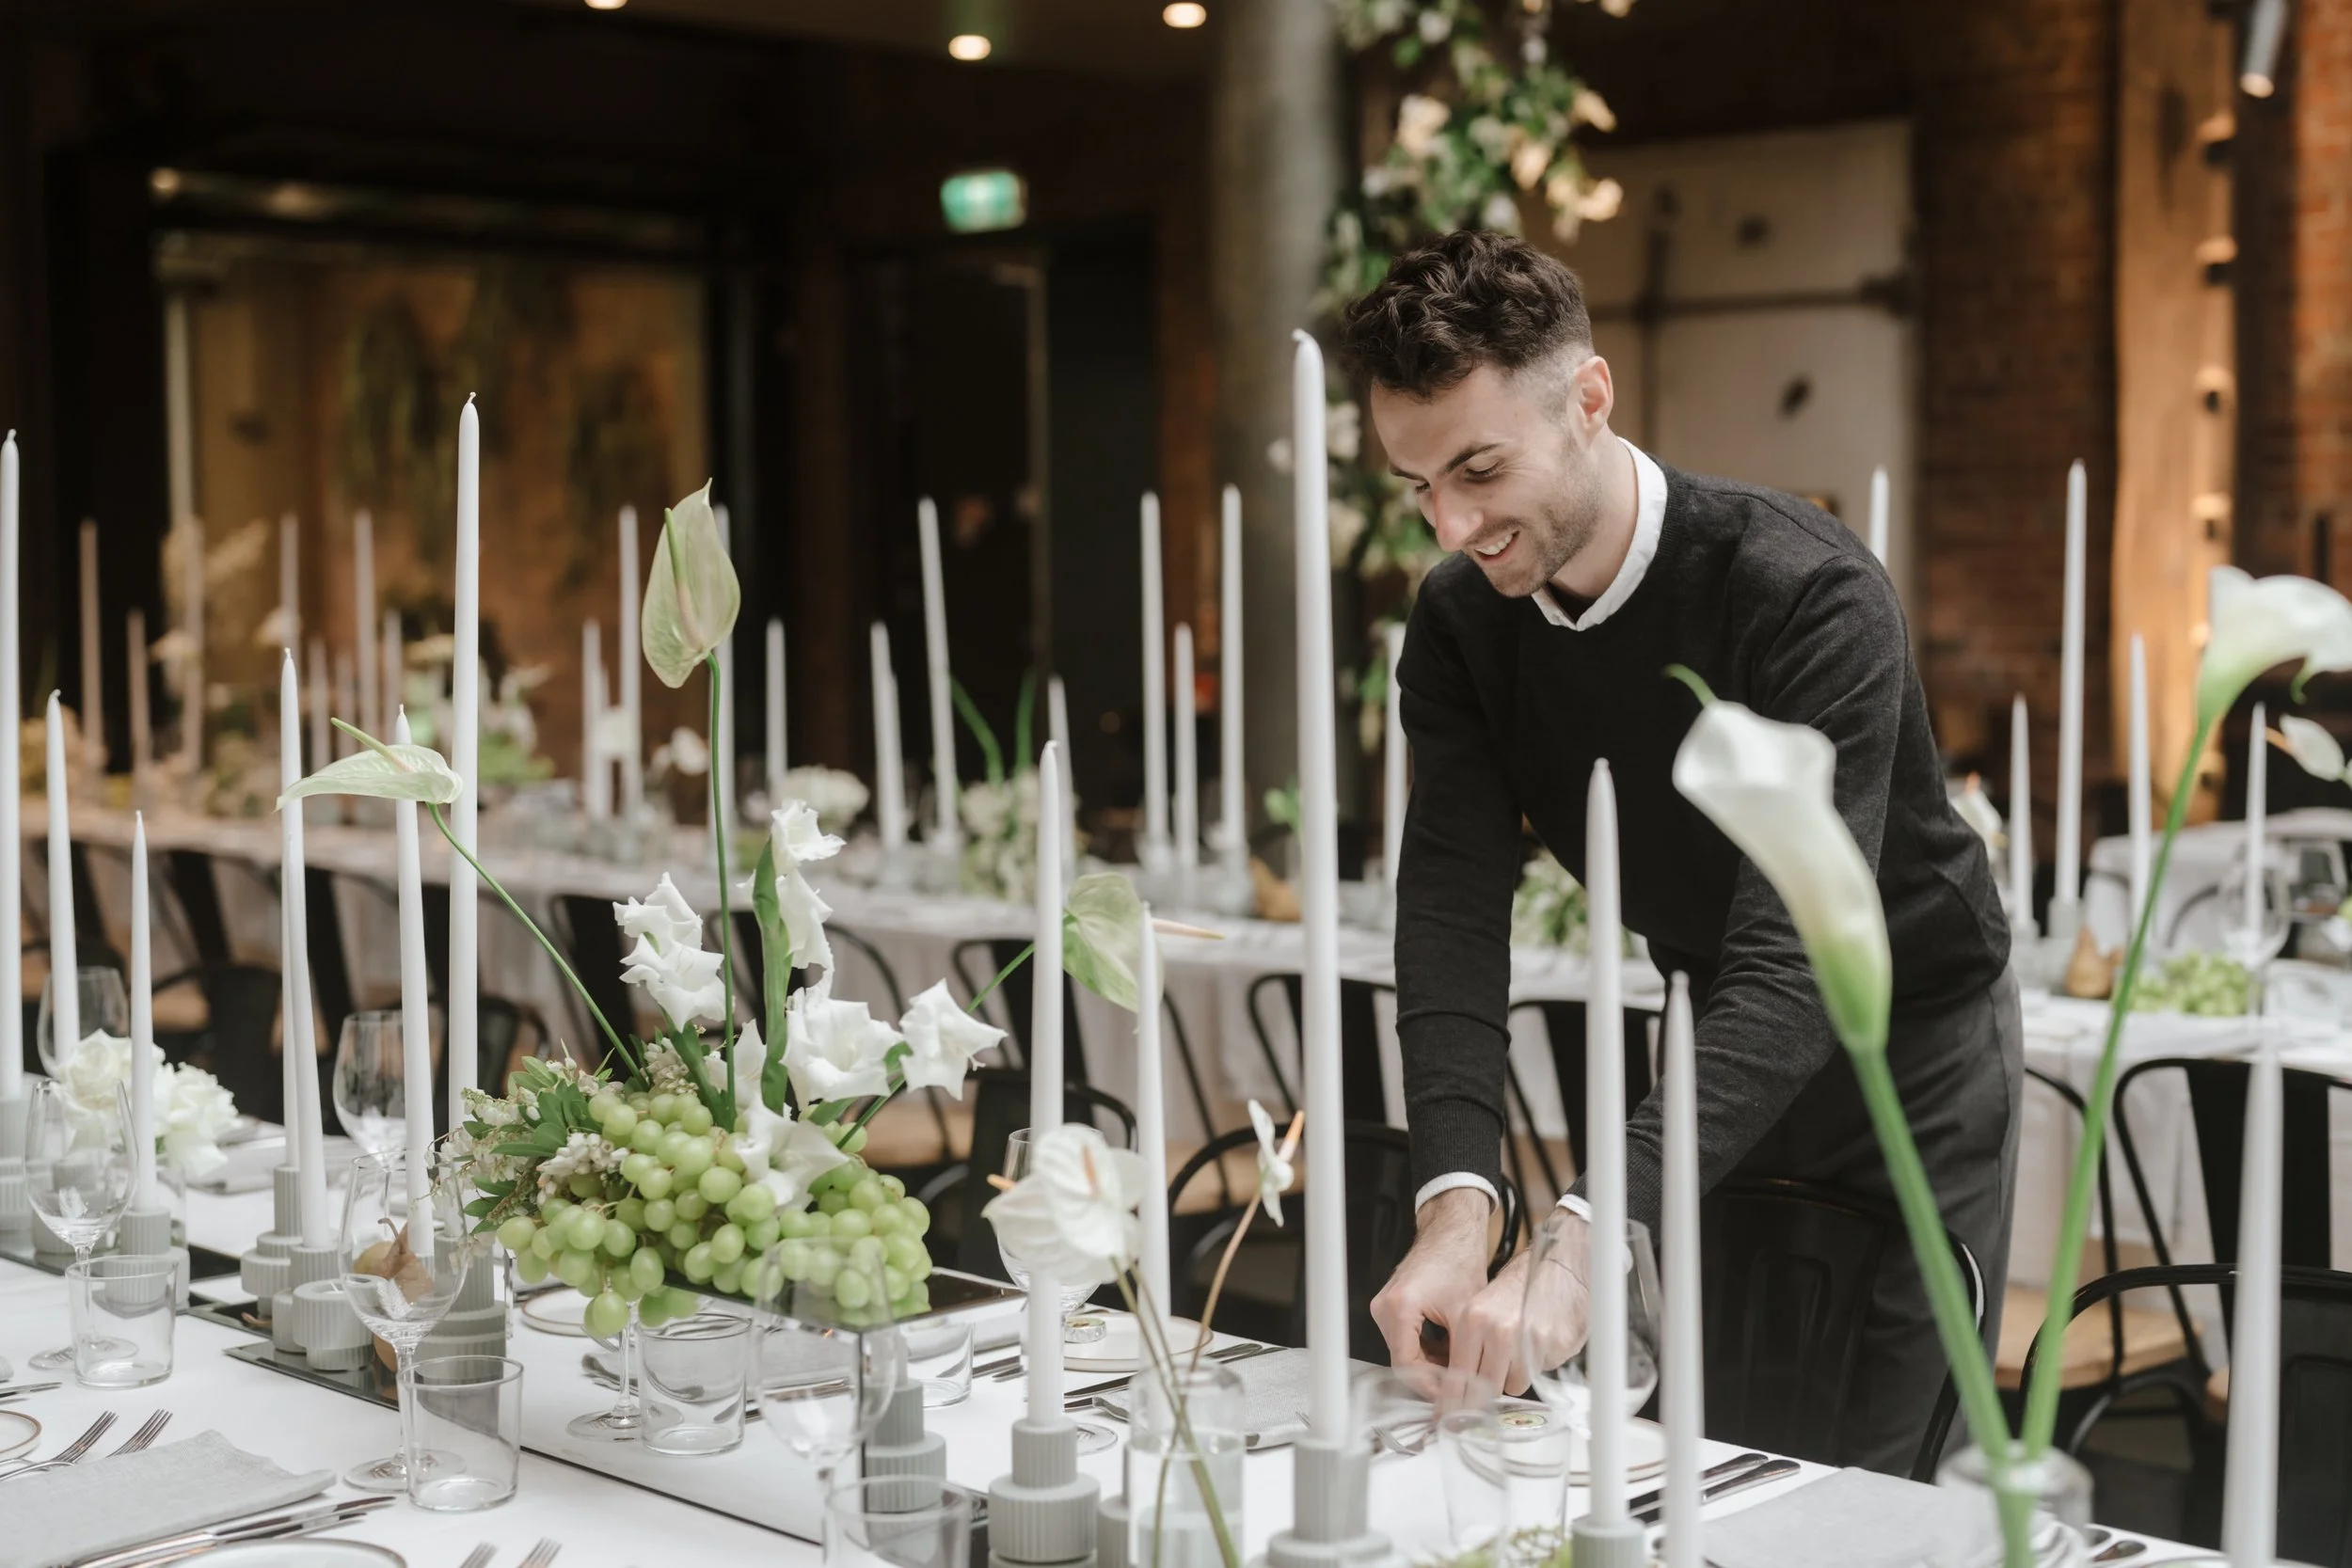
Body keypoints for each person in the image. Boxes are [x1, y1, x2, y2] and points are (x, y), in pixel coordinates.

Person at [1345, 230, 2020, 1475]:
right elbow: (1449, 908)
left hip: (1903, 1033)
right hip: (1711, 1031)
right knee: (1710, 1441)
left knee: (1877, 1468)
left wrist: (1593, 1225)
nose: (1452, 522)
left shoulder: (1804, 593)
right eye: (1417, 485)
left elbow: (1796, 957)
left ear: (1590, 399)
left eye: (1480, 468)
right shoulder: (1458, 628)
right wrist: (1458, 1201)